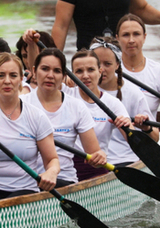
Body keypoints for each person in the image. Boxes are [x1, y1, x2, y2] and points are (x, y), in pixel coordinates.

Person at [0, 53, 61, 204]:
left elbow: (52, 159)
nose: (7, 81)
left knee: (11, 201)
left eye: (13, 75)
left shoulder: (36, 117)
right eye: (1, 75)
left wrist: (51, 172)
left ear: (21, 79)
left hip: (24, 189)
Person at [23, 47, 106, 186]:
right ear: (34, 71)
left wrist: (99, 157)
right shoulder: (22, 104)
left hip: (63, 179)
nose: (50, 75)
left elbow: (94, 151)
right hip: (26, 180)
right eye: (45, 69)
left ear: (63, 76)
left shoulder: (76, 107)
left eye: (57, 71)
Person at [90, 36, 158, 166]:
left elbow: (155, 138)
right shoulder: (79, 90)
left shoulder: (133, 93)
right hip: (92, 159)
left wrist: (146, 128)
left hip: (125, 160)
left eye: (107, 64)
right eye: (97, 64)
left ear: (117, 64)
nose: (101, 69)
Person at [66, 49, 131, 180]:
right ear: (72, 75)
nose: (85, 76)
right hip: (67, 168)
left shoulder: (113, 103)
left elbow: (133, 139)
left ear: (100, 72)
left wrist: (127, 126)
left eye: (90, 70)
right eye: (79, 71)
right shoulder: (65, 95)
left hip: (96, 165)